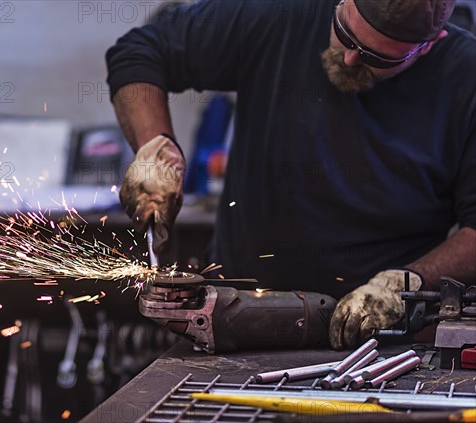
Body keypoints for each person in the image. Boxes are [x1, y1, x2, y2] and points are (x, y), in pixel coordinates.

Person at [106, 0, 476, 349]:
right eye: (345, 33)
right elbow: (141, 51)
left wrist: (406, 282)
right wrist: (155, 146)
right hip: (232, 325)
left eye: (374, 57)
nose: (348, 57)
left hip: (380, 343)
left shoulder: (466, 77)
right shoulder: (281, 12)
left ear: (428, 46)